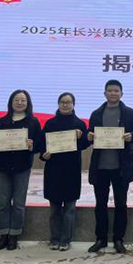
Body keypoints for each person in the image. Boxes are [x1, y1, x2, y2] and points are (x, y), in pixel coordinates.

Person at [87, 80, 133, 254]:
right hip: (101, 166)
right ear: (105, 93)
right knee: (100, 204)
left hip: (121, 167)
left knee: (121, 204)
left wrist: (131, 136)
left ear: (121, 93)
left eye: (116, 91)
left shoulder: (129, 112)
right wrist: (89, 136)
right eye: (109, 91)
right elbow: (90, 135)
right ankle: (101, 239)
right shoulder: (96, 113)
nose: (113, 93)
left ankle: (118, 239)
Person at [0, 89, 43, 251]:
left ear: (28, 103)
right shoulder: (1, 122)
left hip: (22, 167)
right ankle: (3, 234)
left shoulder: (33, 122)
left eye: (23, 100)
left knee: (18, 203)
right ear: (11, 103)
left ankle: (14, 235)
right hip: (3, 167)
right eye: (16, 100)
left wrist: (32, 146)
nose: (19, 103)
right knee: (3, 203)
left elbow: (39, 145)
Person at [40, 92, 89, 251]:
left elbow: (84, 145)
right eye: (62, 102)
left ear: (74, 104)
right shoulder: (50, 123)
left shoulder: (80, 124)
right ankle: (54, 238)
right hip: (53, 170)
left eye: (68, 102)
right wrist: (44, 155)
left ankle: (65, 240)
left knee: (69, 208)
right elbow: (42, 145)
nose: (65, 105)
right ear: (58, 104)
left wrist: (81, 137)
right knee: (54, 209)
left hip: (71, 170)